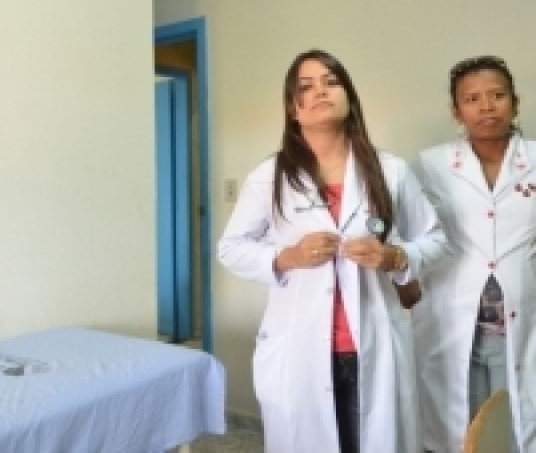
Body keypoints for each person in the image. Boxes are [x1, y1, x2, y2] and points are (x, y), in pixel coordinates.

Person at [218, 49, 447, 453]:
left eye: (331, 82)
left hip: (373, 345)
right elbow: (231, 248)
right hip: (301, 349)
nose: (320, 92)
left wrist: (395, 257)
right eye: (306, 87)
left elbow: (436, 239)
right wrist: (288, 256)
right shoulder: (269, 177)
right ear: (293, 108)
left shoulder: (390, 170)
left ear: (349, 97)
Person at [414, 55, 534, 452]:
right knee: (455, 424)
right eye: (472, 99)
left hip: (519, 320)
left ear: (515, 103)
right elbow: (413, 231)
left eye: (497, 95)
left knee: (512, 426)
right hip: (452, 315)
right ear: (456, 111)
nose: (486, 106)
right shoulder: (431, 165)